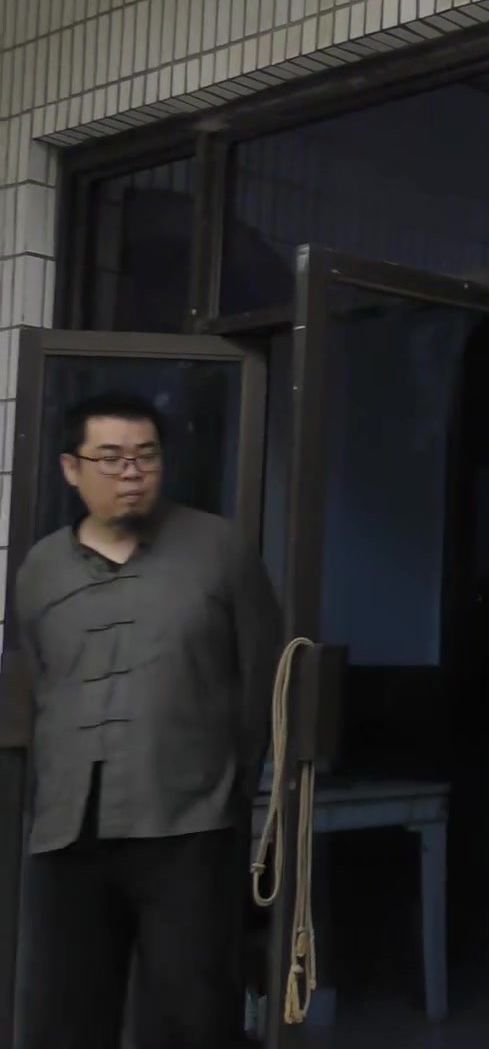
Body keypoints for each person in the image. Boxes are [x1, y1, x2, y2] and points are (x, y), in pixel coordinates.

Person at [13, 391, 282, 1047]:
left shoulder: (219, 550)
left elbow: (264, 685)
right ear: (71, 468)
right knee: (64, 1018)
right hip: (68, 833)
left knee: (191, 1017)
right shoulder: (41, 568)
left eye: (146, 456)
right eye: (110, 458)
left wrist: (231, 793)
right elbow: (41, 684)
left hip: (188, 826)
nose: (131, 472)